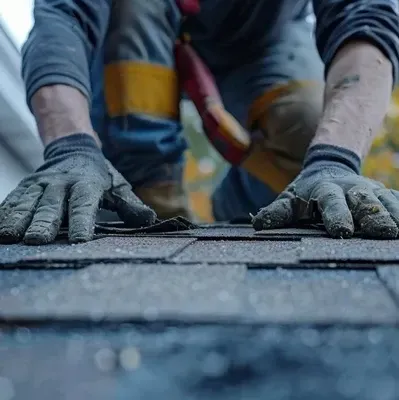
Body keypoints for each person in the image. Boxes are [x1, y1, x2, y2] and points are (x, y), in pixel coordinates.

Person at [0, 0, 398, 245]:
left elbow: (366, 19)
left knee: (308, 130)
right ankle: (150, 201)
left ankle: (239, 211)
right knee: (134, 10)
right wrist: (71, 147)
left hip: (261, 43)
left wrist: (335, 159)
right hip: (137, 27)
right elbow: (61, 17)